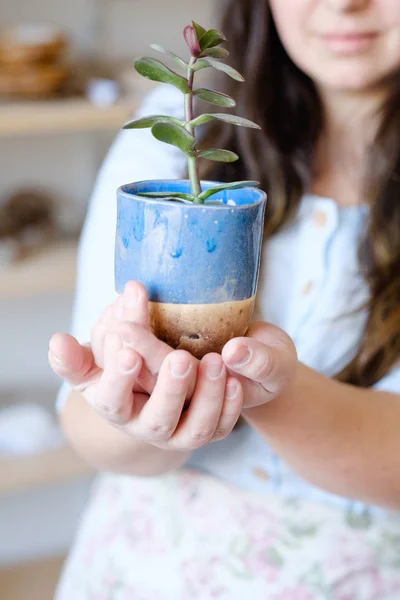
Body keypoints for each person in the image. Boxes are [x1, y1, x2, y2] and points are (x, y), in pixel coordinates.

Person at [49, 0, 400, 598]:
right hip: (142, 567)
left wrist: (274, 392)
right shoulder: (175, 130)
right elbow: (87, 424)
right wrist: (134, 411)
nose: (346, 3)